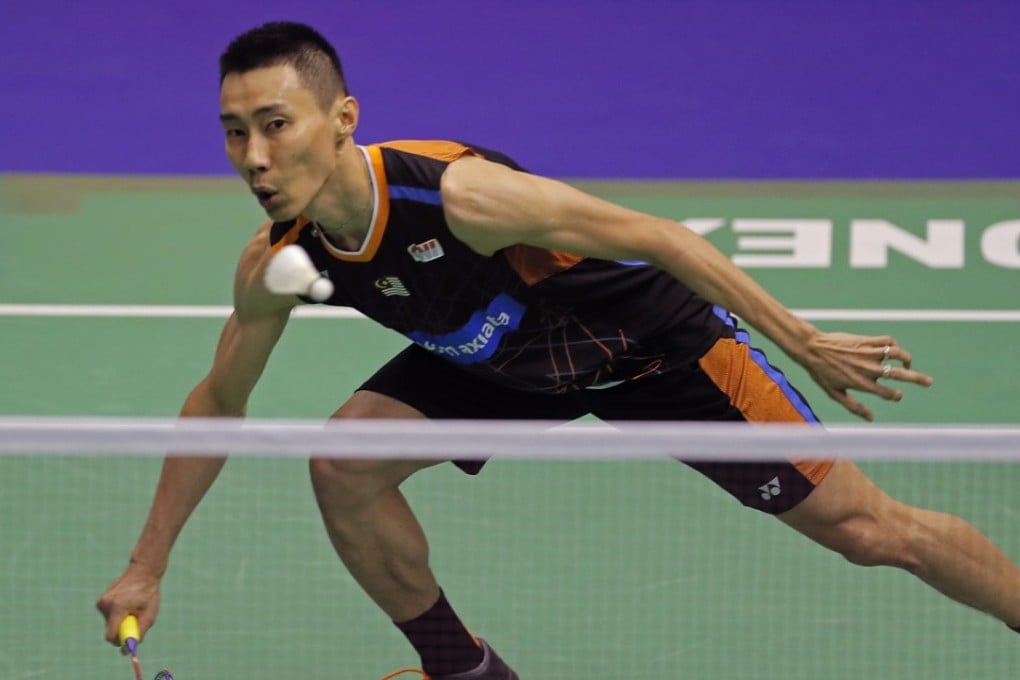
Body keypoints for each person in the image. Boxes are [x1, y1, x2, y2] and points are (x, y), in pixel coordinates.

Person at [96, 21, 1020, 680]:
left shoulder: (464, 197)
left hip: (651, 350)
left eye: (275, 124)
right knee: (341, 463)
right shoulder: (277, 261)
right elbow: (220, 399)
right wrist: (148, 563)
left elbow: (659, 236)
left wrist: (802, 340)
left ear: (342, 118)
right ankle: (465, 671)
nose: (253, 156)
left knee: (869, 533)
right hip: (496, 365)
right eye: (234, 131)